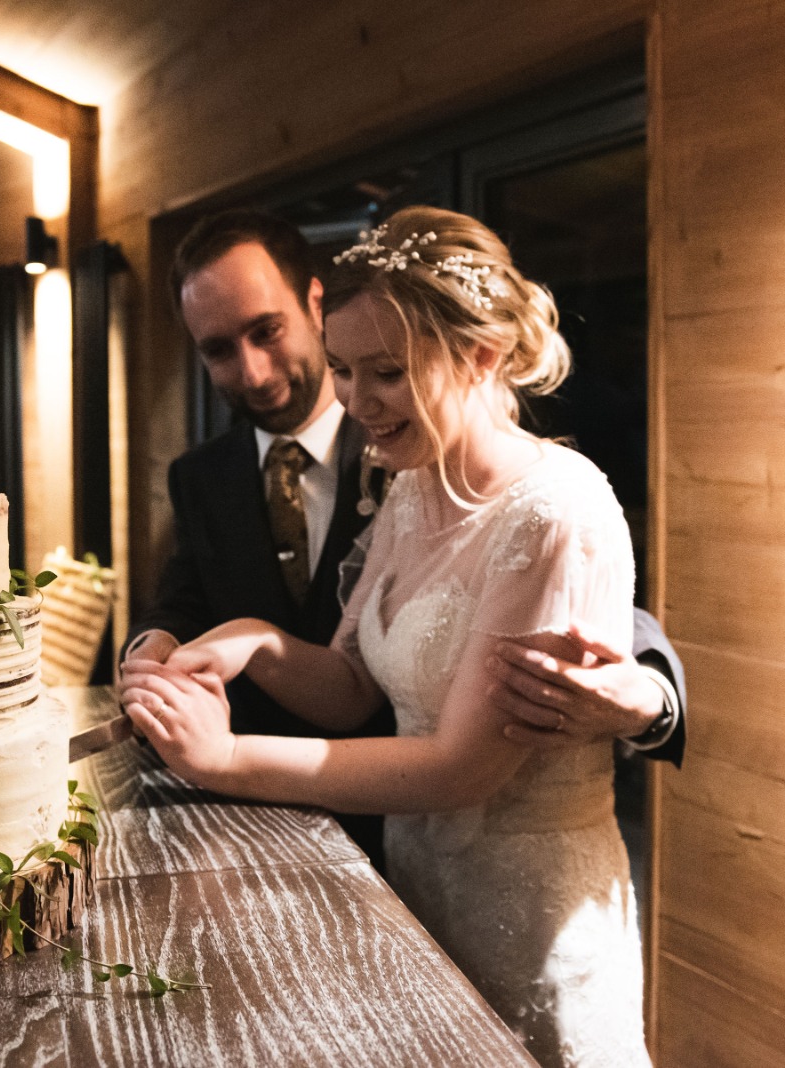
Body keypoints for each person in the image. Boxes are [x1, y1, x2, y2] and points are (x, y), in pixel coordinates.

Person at [122, 206, 651, 1066]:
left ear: (481, 355)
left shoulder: (554, 508)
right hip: (414, 890)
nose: (357, 402)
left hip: (529, 913)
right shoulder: (411, 486)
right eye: (342, 370)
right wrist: (256, 639)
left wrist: (223, 760)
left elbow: (463, 767)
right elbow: (355, 685)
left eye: (387, 373)